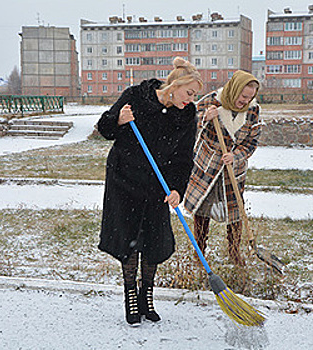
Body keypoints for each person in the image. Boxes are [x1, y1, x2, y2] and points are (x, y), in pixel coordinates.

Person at [97, 57, 203, 326]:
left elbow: (183, 158)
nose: (190, 100)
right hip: (124, 179)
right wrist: (118, 119)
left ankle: (147, 296)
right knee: (130, 237)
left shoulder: (186, 115)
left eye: (194, 95)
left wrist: (178, 188)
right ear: (174, 85)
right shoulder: (136, 96)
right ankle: (131, 296)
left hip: (158, 184)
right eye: (188, 93)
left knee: (153, 240)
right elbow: (104, 128)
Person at [183, 70, 261, 266]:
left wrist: (236, 155)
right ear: (234, 90)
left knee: (235, 212)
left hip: (233, 169)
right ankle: (199, 253)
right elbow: (188, 121)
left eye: (249, 97)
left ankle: (235, 253)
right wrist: (205, 117)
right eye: (243, 96)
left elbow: (252, 143)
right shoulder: (212, 101)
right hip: (207, 165)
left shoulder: (253, 111)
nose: (245, 101)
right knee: (202, 210)